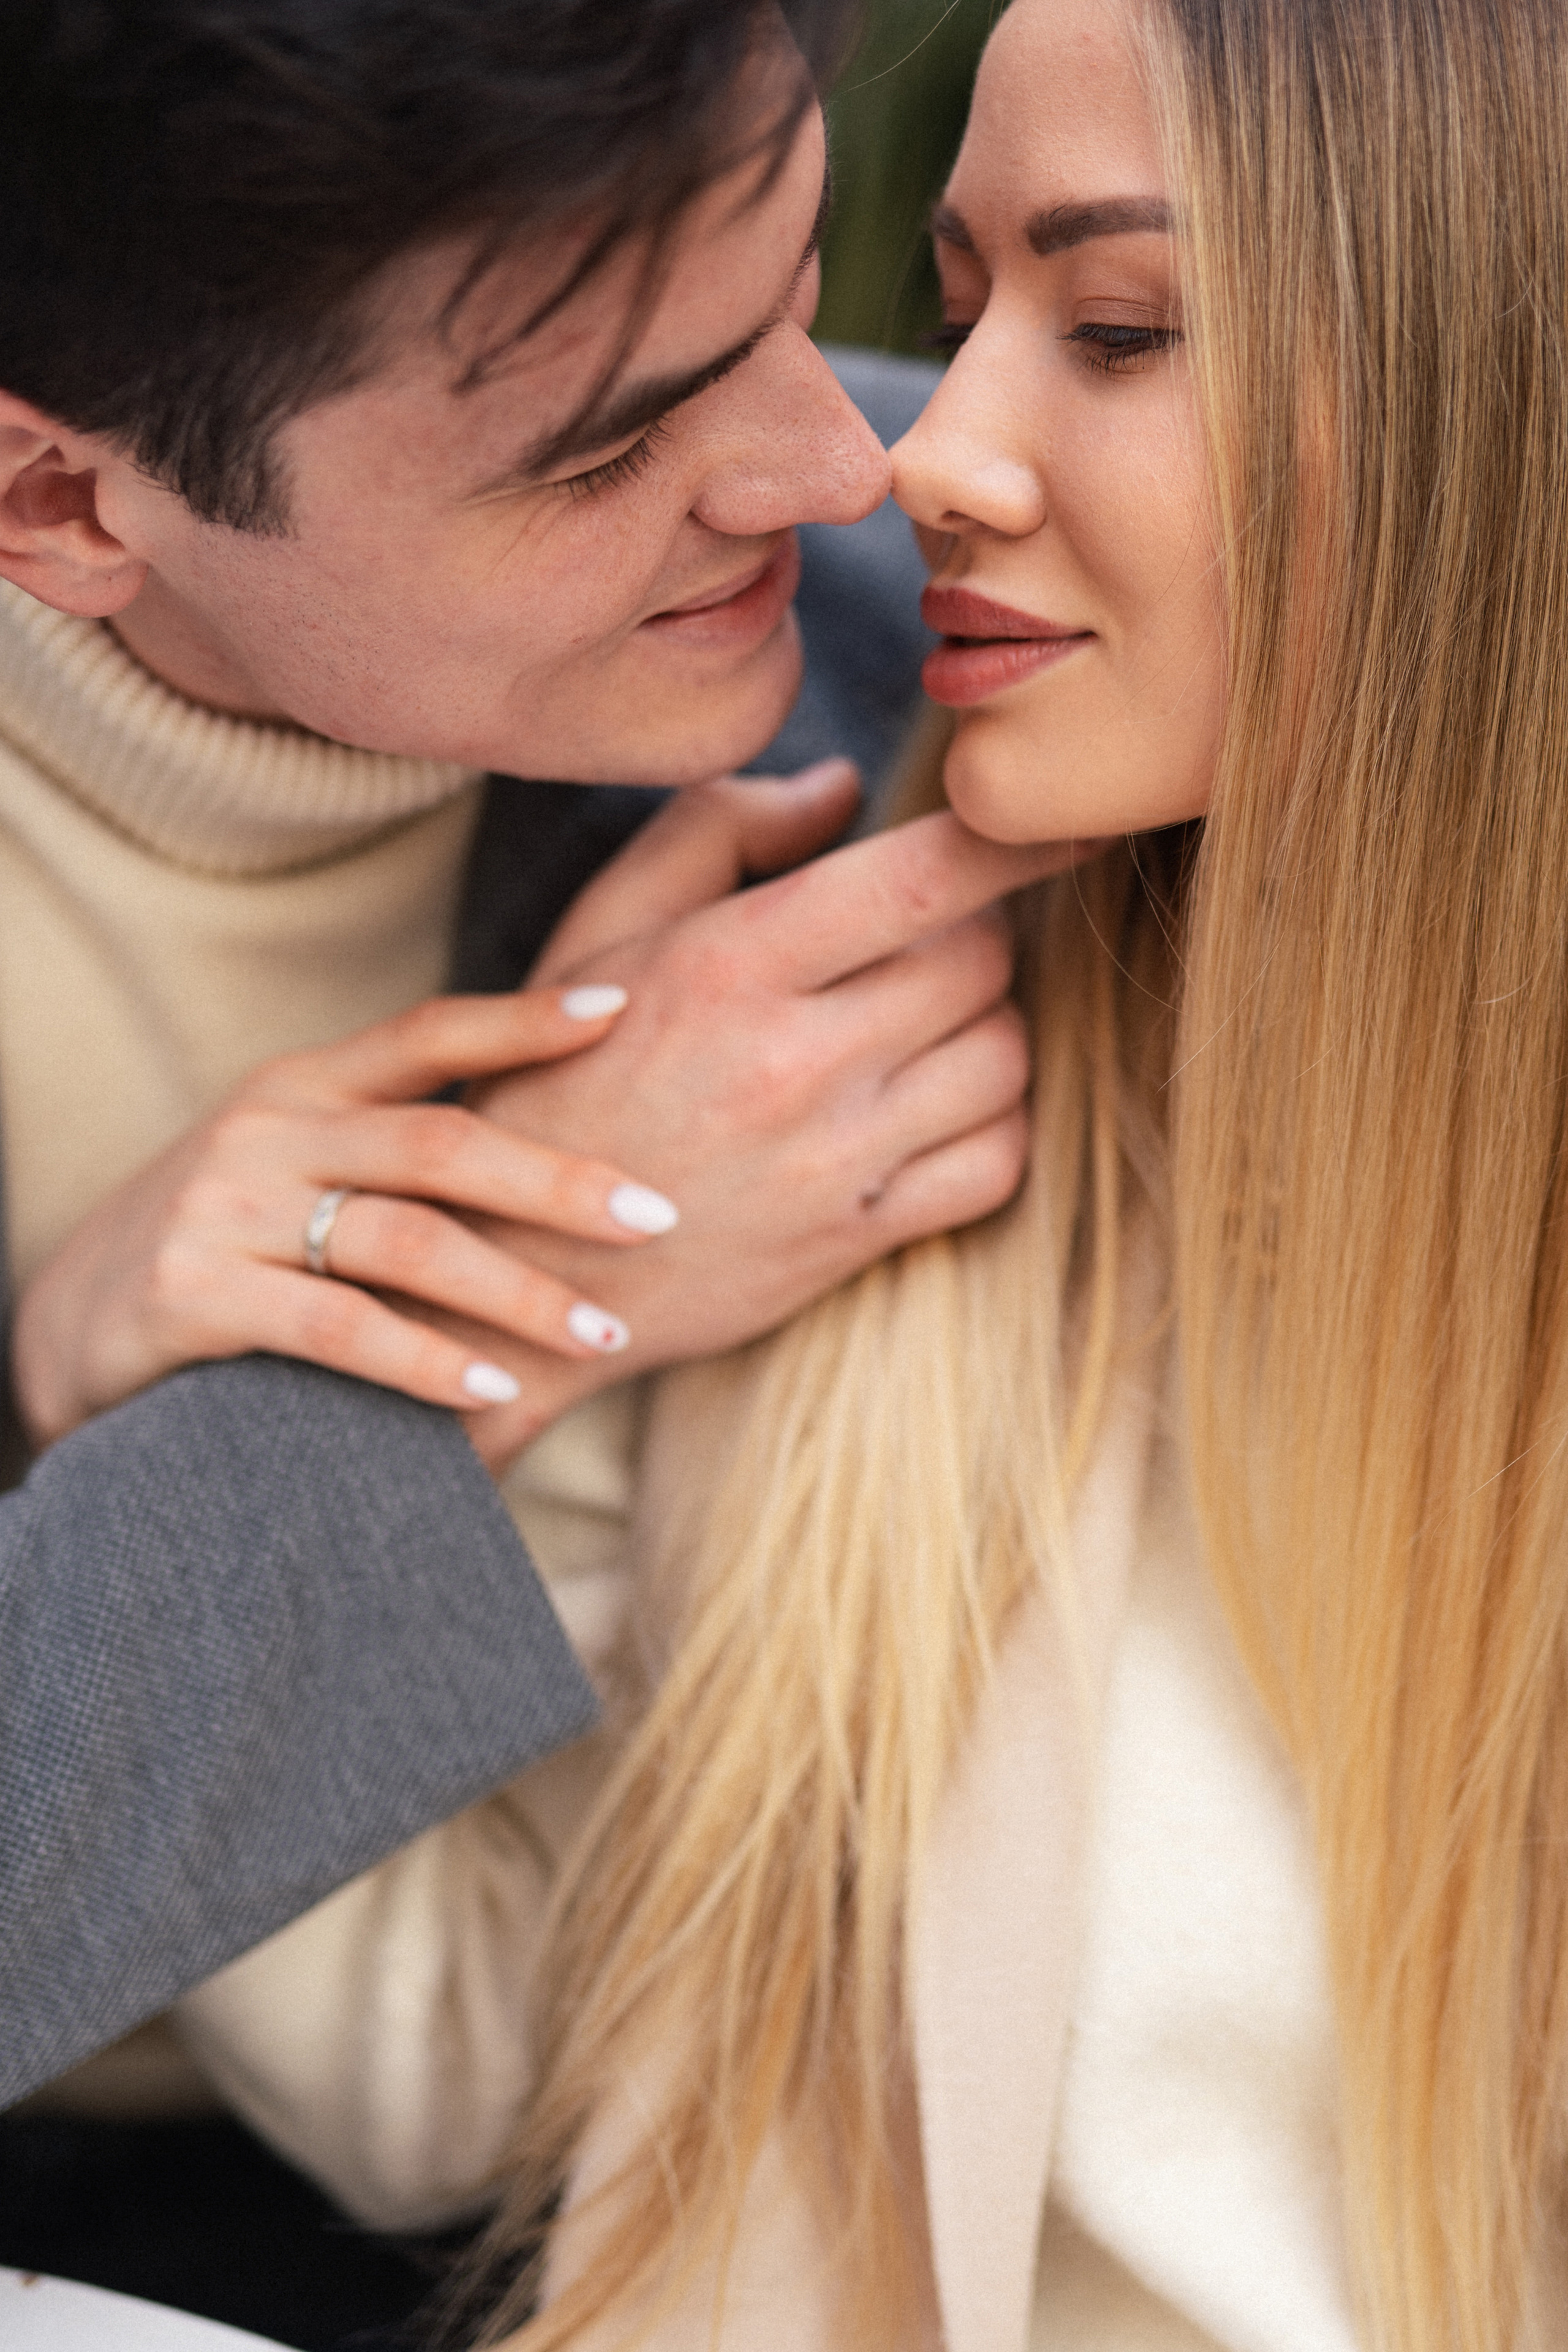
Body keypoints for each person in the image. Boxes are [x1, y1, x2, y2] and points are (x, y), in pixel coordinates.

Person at [169, 0, 1568, 2346]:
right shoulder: (838, 1118)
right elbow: (468, 2055)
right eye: (965, 305)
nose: (927, 456)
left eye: (1115, 327)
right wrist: (313, 1375)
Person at [0, 0, 1067, 2116]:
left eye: (795, 278)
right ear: (59, 499)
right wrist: (434, 1346)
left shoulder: (973, 676)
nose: (842, 465)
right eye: (605, 448)